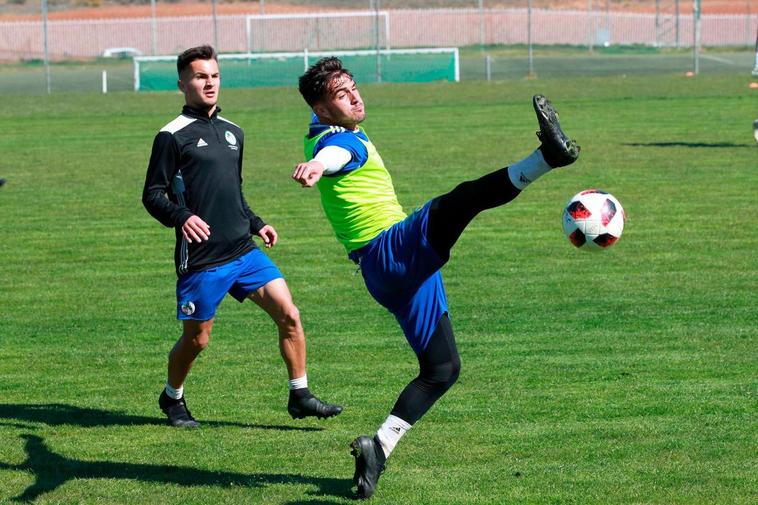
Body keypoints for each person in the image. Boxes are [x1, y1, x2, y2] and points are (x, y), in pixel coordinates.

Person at [292, 57, 579, 498]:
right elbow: (336, 155)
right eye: (341, 95)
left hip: (389, 272)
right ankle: (546, 158)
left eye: (353, 86)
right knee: (459, 202)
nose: (354, 96)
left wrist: (323, 130)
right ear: (324, 109)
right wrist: (318, 165)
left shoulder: (330, 126)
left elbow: (328, 132)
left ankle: (379, 448)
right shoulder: (336, 142)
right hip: (388, 252)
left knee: (442, 369)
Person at [142, 45, 342, 428]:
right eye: (201, 77)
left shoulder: (234, 132)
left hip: (243, 249)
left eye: (214, 76)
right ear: (183, 83)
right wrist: (181, 216)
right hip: (203, 258)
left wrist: (255, 222)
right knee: (197, 340)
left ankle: (300, 394)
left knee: (290, 315)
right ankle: (172, 398)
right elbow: (152, 195)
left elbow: (233, 190)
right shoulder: (171, 136)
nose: (210, 83)